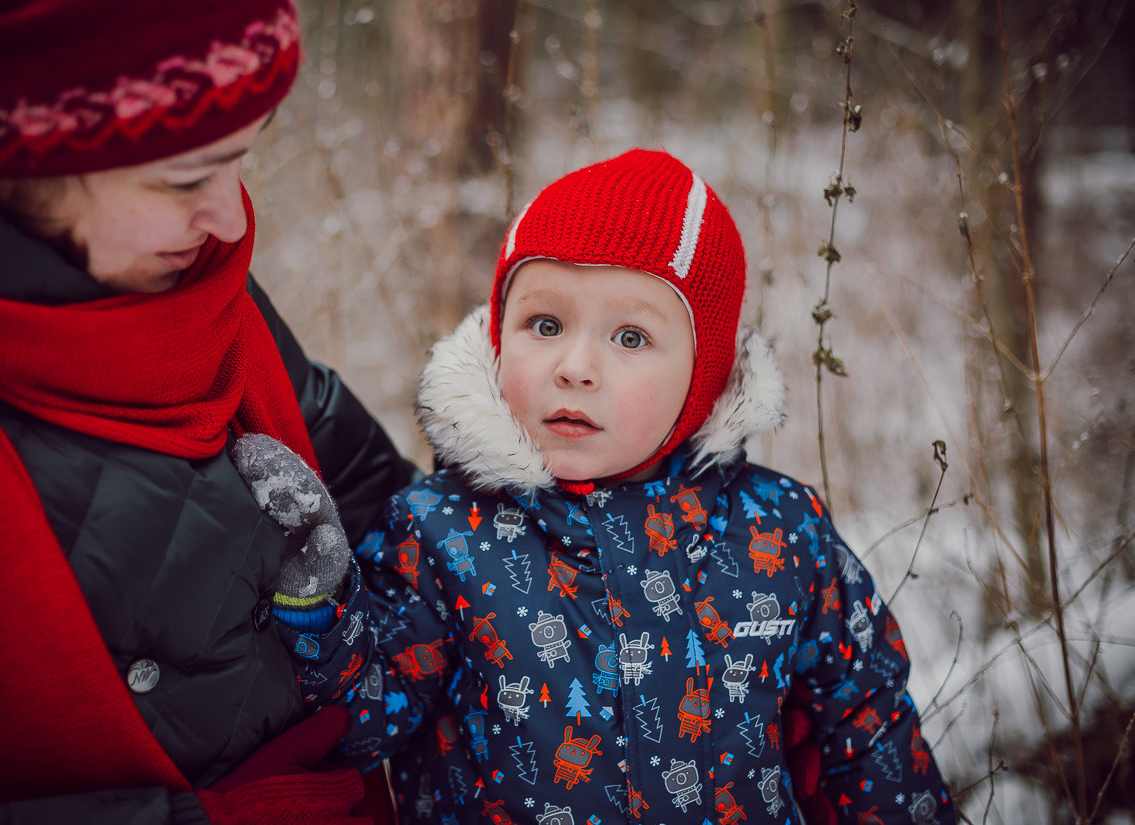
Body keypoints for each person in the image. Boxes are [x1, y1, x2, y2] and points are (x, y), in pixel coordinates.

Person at [0, 0, 415, 822]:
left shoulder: (196, 277)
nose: (232, 219)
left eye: (243, 158)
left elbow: (376, 497)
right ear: (23, 158)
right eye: (186, 177)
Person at [258, 149, 957, 823]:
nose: (575, 365)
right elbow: (360, 723)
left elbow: (866, 735)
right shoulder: (442, 533)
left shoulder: (781, 529)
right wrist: (316, 607)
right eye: (546, 323)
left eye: (630, 337)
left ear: (704, 373)